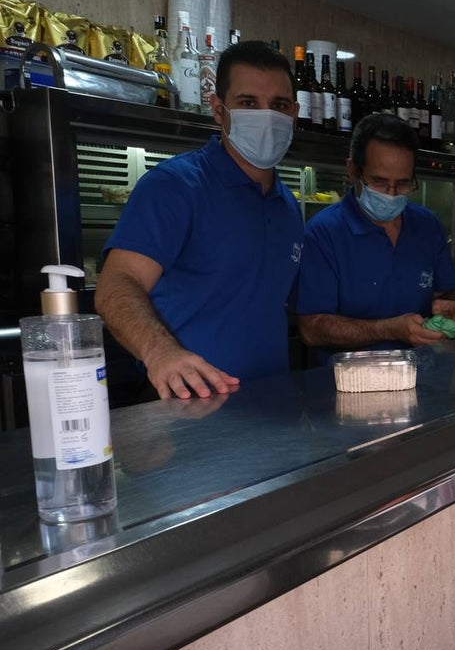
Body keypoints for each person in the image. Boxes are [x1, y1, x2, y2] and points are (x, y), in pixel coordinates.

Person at [95, 40, 303, 400]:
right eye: (249, 103)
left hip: (271, 404)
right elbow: (116, 284)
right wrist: (160, 351)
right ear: (219, 110)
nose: (266, 116)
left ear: (294, 113)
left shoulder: (287, 204)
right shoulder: (174, 187)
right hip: (189, 406)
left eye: (279, 105)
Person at [295, 113, 455, 364]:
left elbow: (446, 291)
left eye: (402, 184)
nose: (391, 195)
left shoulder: (426, 226)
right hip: (352, 389)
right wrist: (389, 329)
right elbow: (311, 329)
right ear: (352, 171)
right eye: (379, 182)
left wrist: (449, 310)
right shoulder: (323, 234)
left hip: (425, 382)